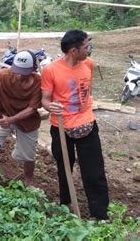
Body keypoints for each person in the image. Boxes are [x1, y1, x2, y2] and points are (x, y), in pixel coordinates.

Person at [41, 29, 109, 220]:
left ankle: (100, 214)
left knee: (94, 172)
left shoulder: (88, 63)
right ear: (73, 50)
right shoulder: (51, 70)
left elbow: (88, 91)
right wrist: (51, 106)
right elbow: (44, 100)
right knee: (64, 169)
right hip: (61, 128)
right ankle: (65, 206)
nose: (89, 49)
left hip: (87, 126)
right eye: (86, 46)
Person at [0, 51, 42, 186]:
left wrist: (11, 120)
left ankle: (28, 181)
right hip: (4, 115)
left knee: (28, 155)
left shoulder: (38, 83)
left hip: (27, 121)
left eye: (23, 72)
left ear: (33, 70)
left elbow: (32, 109)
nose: (18, 74)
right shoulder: (2, 76)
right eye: (17, 70)